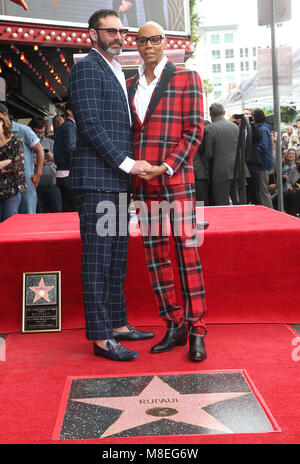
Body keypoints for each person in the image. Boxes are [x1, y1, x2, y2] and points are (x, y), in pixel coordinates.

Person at [67, 9, 154, 362]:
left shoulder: (118, 70)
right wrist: (130, 164)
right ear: (92, 34)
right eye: (111, 31)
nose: (119, 36)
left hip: (117, 183)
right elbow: (89, 124)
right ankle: (102, 338)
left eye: (122, 31)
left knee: (117, 260)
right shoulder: (87, 67)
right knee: (98, 262)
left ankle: (118, 324)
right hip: (97, 181)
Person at [127, 21, 207, 362]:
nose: (149, 46)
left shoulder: (186, 78)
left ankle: (197, 329)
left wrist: (168, 164)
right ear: (137, 44)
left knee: (187, 255)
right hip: (144, 185)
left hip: (176, 180)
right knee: (155, 257)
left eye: (155, 39)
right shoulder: (129, 84)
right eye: (143, 40)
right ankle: (173, 323)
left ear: (165, 42)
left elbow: (194, 129)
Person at [0, 103, 44, 215]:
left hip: (25, 177)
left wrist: (38, 173)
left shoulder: (23, 130)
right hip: (5, 185)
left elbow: (40, 150)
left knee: (28, 213)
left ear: (4, 115)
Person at [201, 103, 239, 205]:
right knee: (238, 203)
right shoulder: (235, 127)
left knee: (222, 203)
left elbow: (208, 154)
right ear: (224, 112)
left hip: (220, 172)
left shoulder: (209, 129)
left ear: (211, 115)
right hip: (237, 170)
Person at [28, 117, 62, 213]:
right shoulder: (27, 144)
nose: (39, 135)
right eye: (37, 132)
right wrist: (39, 161)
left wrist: (52, 156)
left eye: (42, 132)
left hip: (52, 183)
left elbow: (61, 159)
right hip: (35, 184)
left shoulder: (50, 142)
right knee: (39, 213)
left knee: (57, 212)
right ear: (31, 130)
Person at [0, 112, 26, 222]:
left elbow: (18, 166)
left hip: (11, 191)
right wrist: (7, 161)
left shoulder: (16, 140)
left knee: (8, 224)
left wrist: (5, 164)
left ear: (2, 122)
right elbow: (14, 163)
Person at [53, 103, 77, 212]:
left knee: (68, 208)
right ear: (69, 111)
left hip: (64, 173)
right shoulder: (69, 126)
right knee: (72, 210)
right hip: (69, 173)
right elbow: (71, 149)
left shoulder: (68, 126)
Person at [252, 109, 273, 209]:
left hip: (263, 164)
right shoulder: (263, 128)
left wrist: (252, 151)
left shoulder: (262, 129)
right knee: (262, 189)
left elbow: (263, 146)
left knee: (263, 190)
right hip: (263, 163)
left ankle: (270, 211)